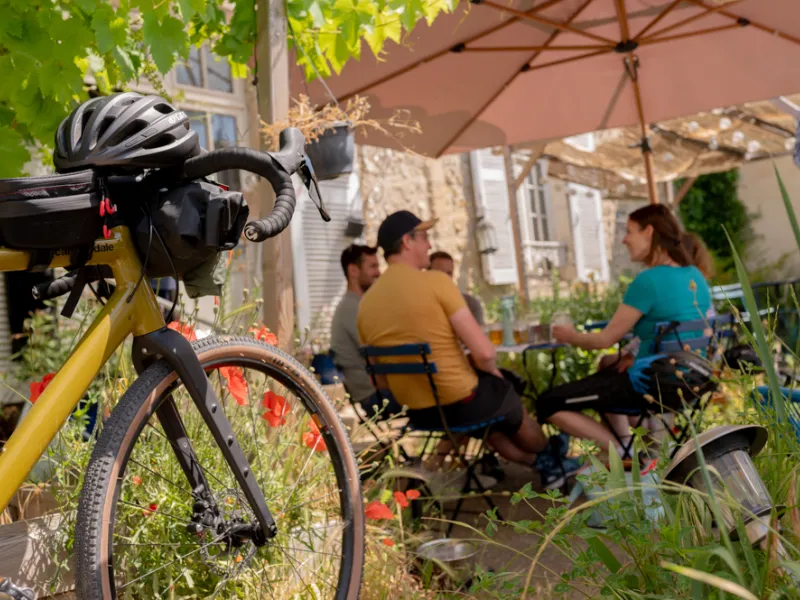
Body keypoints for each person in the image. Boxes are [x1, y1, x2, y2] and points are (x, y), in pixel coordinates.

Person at [357, 210, 576, 488]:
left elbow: (379, 379)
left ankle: (543, 462)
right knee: (506, 393)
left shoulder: (366, 303)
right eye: (424, 237)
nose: (429, 244)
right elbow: (485, 354)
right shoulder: (436, 282)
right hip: (459, 403)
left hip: (416, 412)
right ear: (407, 241)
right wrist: (494, 374)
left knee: (494, 413)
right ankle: (551, 456)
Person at [538, 204, 711, 456]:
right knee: (608, 371)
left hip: (648, 387)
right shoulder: (695, 276)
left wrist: (568, 336)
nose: (624, 239)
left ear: (649, 232)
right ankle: (626, 446)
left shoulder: (648, 281)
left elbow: (604, 340)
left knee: (548, 402)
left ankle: (620, 452)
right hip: (690, 384)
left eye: (629, 231)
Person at [330, 244, 401, 416]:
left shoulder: (357, 305)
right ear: (353, 270)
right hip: (376, 397)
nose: (378, 272)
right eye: (373, 266)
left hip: (377, 391)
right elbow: (384, 351)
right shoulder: (353, 308)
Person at [429, 251, 484, 325]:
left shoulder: (470, 303)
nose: (446, 277)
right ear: (427, 275)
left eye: (449, 273)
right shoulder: (420, 305)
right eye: (440, 273)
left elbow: (479, 333)